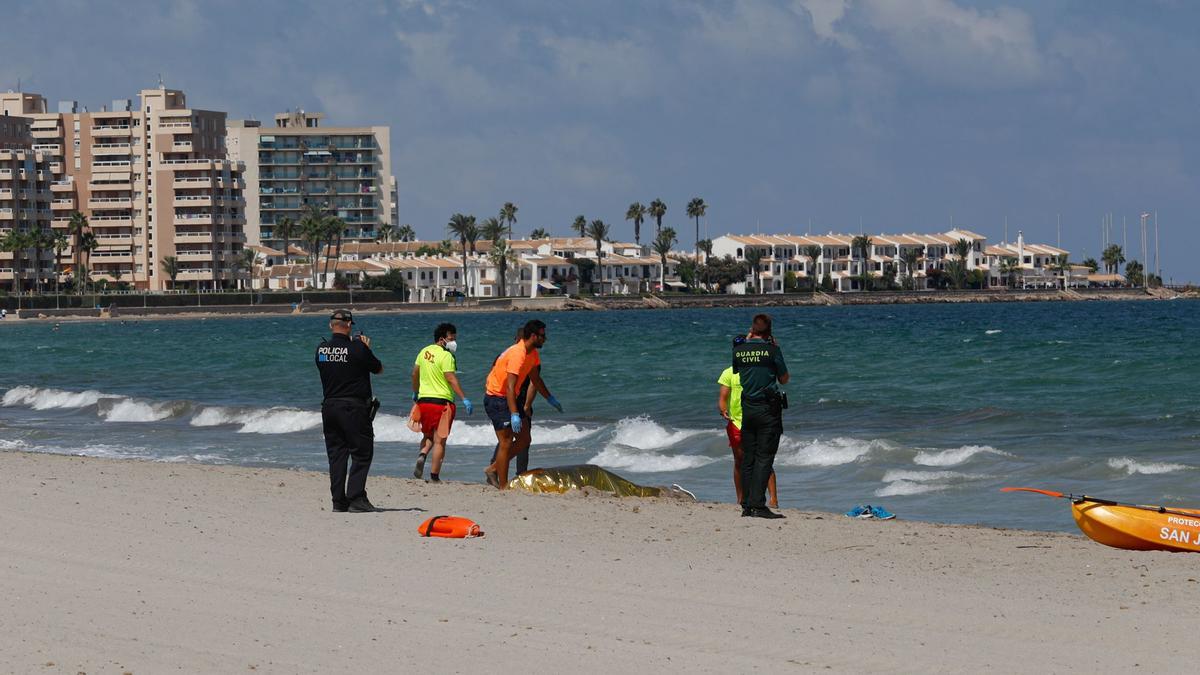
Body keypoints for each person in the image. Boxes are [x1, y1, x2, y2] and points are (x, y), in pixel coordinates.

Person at [315, 309, 383, 513]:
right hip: (353, 407)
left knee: (336, 455)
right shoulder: (357, 348)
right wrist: (364, 347)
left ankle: (338, 500)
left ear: (330, 325)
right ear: (350, 325)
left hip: (330, 407)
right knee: (362, 453)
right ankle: (356, 497)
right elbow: (378, 368)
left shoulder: (321, 349)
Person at [482, 319, 559, 488]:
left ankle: (493, 468)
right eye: (542, 336)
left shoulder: (533, 354)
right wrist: (515, 414)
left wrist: (550, 398)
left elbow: (535, 379)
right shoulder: (518, 353)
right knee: (506, 442)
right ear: (533, 336)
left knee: (524, 439)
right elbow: (510, 387)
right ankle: (503, 485)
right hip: (497, 398)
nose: (545, 339)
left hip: (510, 398)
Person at [732, 314, 789, 519]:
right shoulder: (773, 350)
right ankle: (758, 505)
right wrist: (771, 347)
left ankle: (747, 504)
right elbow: (784, 379)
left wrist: (749, 342)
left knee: (749, 457)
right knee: (764, 457)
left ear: (752, 329)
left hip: (747, 408)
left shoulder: (738, 350)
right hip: (767, 409)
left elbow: (738, 371)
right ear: (769, 332)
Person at [411, 322, 473, 482]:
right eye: (451, 338)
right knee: (440, 441)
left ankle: (422, 454)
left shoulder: (423, 351)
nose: (454, 342)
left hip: (424, 401)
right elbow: (450, 378)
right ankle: (434, 476)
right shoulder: (447, 356)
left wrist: (415, 392)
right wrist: (464, 398)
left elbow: (414, 373)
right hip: (442, 403)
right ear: (441, 339)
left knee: (427, 435)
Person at [717, 354, 779, 509]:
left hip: (757, 419)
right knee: (739, 460)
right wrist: (723, 409)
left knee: (763, 458)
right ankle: (741, 498)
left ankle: (773, 499)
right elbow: (723, 396)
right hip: (736, 422)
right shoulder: (729, 372)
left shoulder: (757, 371)